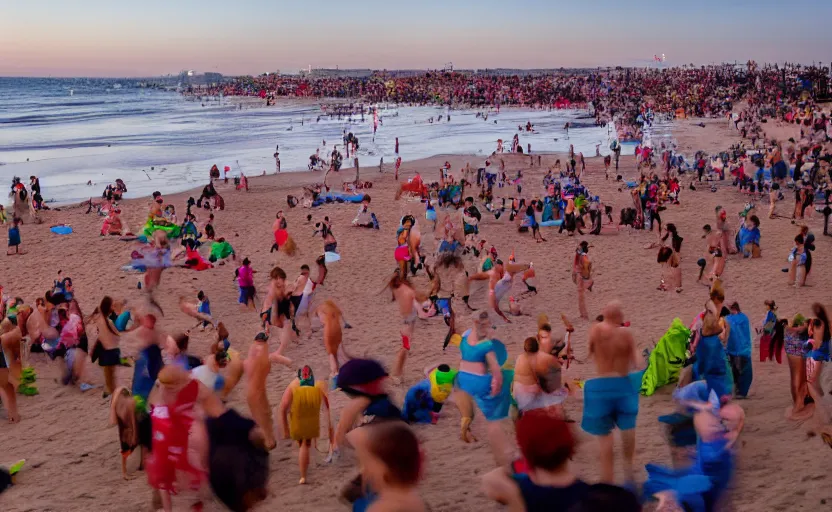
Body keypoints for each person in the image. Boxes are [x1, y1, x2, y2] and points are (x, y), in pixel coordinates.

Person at [582, 302, 643, 485]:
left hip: (602, 384)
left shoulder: (596, 330)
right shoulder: (626, 334)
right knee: (628, 427)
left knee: (605, 435)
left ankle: (607, 479)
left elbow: (589, 352)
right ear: (619, 316)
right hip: (622, 383)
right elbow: (638, 362)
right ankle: (629, 467)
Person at [482, 411, 589, 511]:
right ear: (570, 449)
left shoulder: (523, 491)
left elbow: (491, 480)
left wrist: (513, 495)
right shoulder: (591, 495)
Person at [456, 311, 513, 465]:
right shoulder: (487, 345)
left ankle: (466, 430)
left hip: (462, 377)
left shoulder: (465, 335)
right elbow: (495, 370)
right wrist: (497, 384)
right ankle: (501, 450)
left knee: (467, 411)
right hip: (479, 380)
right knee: (493, 416)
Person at [346, 421, 427, 512]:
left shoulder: (384, 507)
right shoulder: (413, 498)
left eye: (366, 463)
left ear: (383, 468)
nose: (363, 470)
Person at [278, 365, 332, 484]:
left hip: (297, 417)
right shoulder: (319, 385)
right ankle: (303, 475)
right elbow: (327, 407)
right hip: (311, 418)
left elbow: (283, 408)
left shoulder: (293, 385)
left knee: (303, 445)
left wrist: (285, 429)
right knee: (305, 445)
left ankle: (305, 470)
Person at [244, 332, 291, 451]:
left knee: (264, 416)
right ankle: (268, 442)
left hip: (252, 392)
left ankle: (267, 439)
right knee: (264, 418)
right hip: (258, 392)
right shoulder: (267, 357)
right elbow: (288, 362)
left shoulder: (249, 358)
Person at [383, 272, 432, 383]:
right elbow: (421, 314)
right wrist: (428, 311)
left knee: (404, 349)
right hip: (408, 326)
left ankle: (397, 373)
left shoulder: (397, 290)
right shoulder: (410, 293)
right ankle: (395, 374)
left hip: (404, 322)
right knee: (404, 349)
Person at [513, 335, 568, 416]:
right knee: (558, 393)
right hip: (529, 396)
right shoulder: (537, 359)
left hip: (517, 394)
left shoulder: (519, 358)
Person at [468, 259, 533, 323]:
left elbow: (519, 268)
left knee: (515, 311)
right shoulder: (499, 273)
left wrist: (528, 266)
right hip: (498, 295)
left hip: (502, 295)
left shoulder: (505, 272)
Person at [88, 296, 123, 398]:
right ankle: (112, 392)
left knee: (108, 373)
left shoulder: (99, 318)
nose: (113, 307)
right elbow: (118, 334)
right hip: (110, 350)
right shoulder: (109, 322)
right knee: (111, 373)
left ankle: (109, 390)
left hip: (103, 349)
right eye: (112, 305)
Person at [725, 302, 753, 398]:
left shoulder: (728, 319)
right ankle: (741, 392)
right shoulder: (743, 317)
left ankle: (739, 391)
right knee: (741, 371)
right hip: (742, 349)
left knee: (736, 370)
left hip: (736, 349)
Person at [572, 241, 593, 319]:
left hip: (579, 275)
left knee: (581, 296)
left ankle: (583, 314)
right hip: (580, 275)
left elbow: (586, 262)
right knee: (581, 296)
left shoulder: (580, 254)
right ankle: (583, 314)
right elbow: (587, 263)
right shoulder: (582, 254)